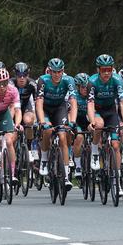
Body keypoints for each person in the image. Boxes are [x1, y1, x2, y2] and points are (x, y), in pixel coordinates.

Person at [87, 54, 123, 196]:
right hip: (97, 111)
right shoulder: (92, 81)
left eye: (109, 69)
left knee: (115, 145)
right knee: (99, 125)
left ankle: (117, 182)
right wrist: (92, 120)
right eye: (103, 70)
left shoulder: (117, 80)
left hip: (111, 111)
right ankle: (95, 151)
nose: (107, 72)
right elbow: (90, 103)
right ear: (98, 70)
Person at [36, 58, 77, 190]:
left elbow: (73, 102)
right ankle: (44, 159)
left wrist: (73, 121)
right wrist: (42, 121)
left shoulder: (68, 80)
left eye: (59, 71)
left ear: (63, 71)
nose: (57, 74)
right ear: (49, 71)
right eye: (54, 72)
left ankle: (65, 176)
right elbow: (39, 102)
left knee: (63, 136)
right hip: (46, 109)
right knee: (47, 131)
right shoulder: (43, 80)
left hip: (60, 108)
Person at [12, 62, 37, 160]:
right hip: (13, 107)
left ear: (28, 75)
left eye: (24, 75)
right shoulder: (10, 83)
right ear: (15, 75)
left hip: (26, 106)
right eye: (19, 75)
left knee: (28, 121)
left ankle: (30, 149)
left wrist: (37, 118)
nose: (22, 78)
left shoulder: (32, 84)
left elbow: (37, 102)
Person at [71, 73, 90, 178]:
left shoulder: (92, 95)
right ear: (77, 87)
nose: (85, 89)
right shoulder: (74, 96)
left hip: (88, 120)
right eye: (83, 87)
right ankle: (78, 165)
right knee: (79, 137)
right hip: (77, 120)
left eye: (87, 87)